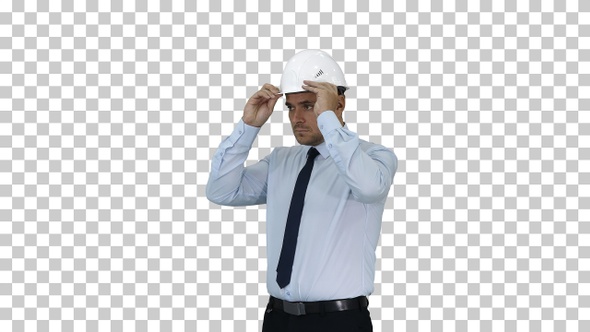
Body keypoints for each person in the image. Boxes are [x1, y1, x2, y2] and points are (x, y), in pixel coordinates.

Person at [206, 49, 398, 332]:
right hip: (278, 318)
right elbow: (221, 191)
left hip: (339, 322)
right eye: (290, 107)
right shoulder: (280, 161)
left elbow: (368, 188)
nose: (297, 117)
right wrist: (248, 126)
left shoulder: (373, 158)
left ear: (339, 104)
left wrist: (329, 120)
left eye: (308, 105)